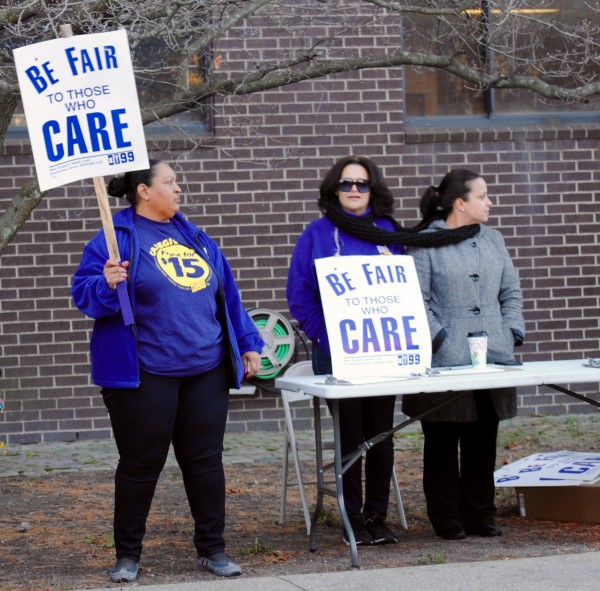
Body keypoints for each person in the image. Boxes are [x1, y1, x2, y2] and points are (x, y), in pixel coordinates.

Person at [71, 159, 264, 583]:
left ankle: (213, 550)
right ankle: (127, 556)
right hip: (145, 372)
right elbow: (84, 296)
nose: (178, 189)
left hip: (206, 369)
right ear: (144, 191)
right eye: (170, 182)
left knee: (205, 462)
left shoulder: (194, 235)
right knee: (141, 463)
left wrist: (248, 343)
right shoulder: (114, 238)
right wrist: (105, 282)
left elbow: (226, 293)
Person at [286, 156, 479, 546]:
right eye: (346, 184)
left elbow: (404, 291)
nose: (353, 190)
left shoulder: (388, 231)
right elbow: (300, 295)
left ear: (373, 190)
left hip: (385, 352)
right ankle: (351, 517)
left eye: (361, 184)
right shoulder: (317, 234)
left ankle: (377, 516)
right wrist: (326, 336)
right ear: (333, 190)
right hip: (339, 355)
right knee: (350, 434)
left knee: (381, 436)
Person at [401, 169, 525, 541]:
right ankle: (446, 518)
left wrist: (511, 331)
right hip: (444, 356)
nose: (490, 202)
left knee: (483, 437)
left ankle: (480, 514)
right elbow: (416, 300)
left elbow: (511, 291)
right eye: (483, 196)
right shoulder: (424, 242)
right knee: (441, 440)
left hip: (494, 352)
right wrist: (440, 340)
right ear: (461, 203)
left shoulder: (494, 239)